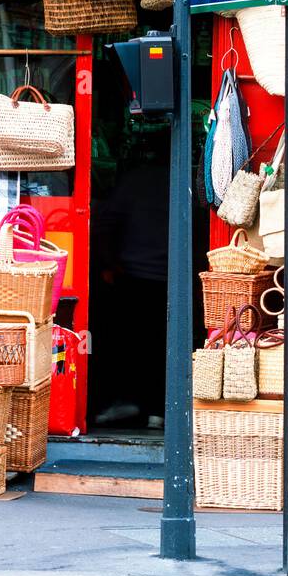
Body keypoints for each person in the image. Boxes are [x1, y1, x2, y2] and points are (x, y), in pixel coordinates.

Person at [91, 161, 169, 429]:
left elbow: (104, 225)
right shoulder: (186, 176)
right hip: (169, 279)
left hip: (132, 276)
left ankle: (129, 403)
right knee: (161, 346)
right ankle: (157, 410)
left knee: (128, 345)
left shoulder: (134, 177)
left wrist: (109, 264)